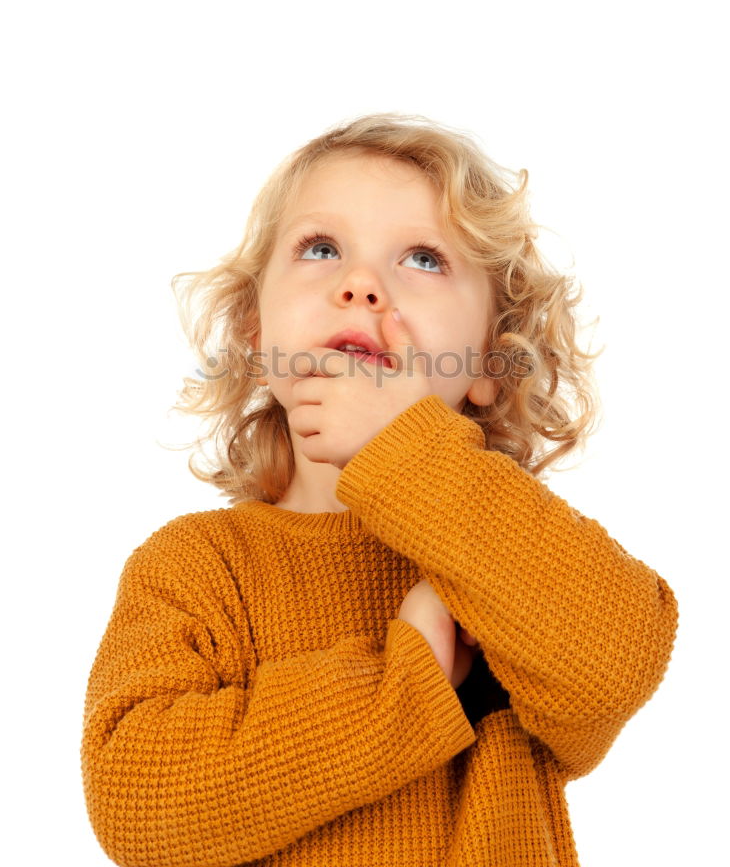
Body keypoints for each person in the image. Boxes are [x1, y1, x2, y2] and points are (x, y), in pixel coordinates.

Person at [80, 113, 678, 867]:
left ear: (492, 364)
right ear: (255, 337)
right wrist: (408, 680)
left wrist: (407, 452)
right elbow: (138, 808)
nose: (361, 285)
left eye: (424, 259)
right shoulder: (198, 565)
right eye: (322, 249)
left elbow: (613, 664)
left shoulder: (507, 559)